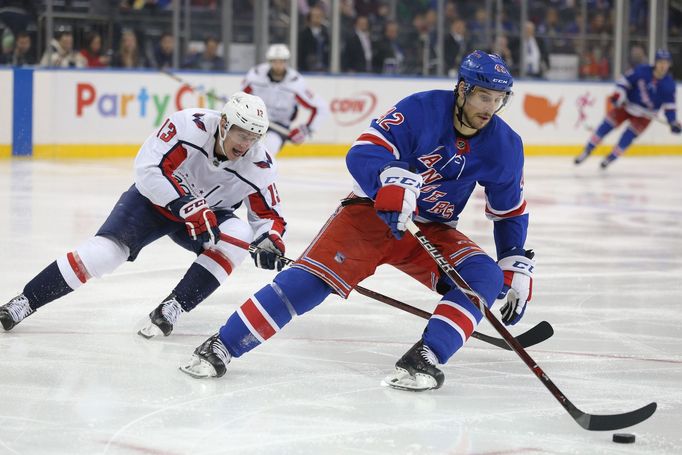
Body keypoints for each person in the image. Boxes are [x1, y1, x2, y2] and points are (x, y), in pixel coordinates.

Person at [180, 51, 536, 393]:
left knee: (485, 277)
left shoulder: (505, 145)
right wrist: (390, 177)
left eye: (498, 99)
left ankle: (426, 355)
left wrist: (513, 258)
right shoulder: (422, 109)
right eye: (483, 97)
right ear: (463, 89)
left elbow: (509, 211)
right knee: (309, 284)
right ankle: (222, 345)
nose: (490, 108)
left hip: (430, 230)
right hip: (370, 214)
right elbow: (363, 151)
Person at [1, 92, 289, 338]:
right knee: (104, 254)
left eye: (254, 137)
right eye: (242, 134)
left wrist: (270, 239)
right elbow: (148, 169)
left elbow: (267, 214)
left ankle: (174, 305)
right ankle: (26, 300)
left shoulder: (259, 163)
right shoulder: (188, 126)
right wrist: (188, 205)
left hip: (206, 219)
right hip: (154, 204)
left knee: (240, 235)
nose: (246, 144)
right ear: (225, 124)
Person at [575, 49, 681, 169]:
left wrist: (673, 121)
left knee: (627, 137)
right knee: (605, 127)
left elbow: (670, 107)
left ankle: (610, 158)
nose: (663, 65)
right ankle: (587, 151)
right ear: (655, 62)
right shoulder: (641, 70)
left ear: (669, 64)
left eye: (666, 62)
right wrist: (619, 94)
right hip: (627, 106)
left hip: (646, 115)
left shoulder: (669, 85)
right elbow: (624, 82)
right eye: (660, 62)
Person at [241, 43, 328, 156]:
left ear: (286, 62)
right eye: (274, 61)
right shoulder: (256, 74)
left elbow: (320, 107)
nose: (278, 65)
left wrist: (306, 130)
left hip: (278, 127)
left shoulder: (295, 82)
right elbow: (241, 97)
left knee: (266, 154)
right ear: (270, 61)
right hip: (253, 121)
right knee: (240, 150)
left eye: (281, 61)